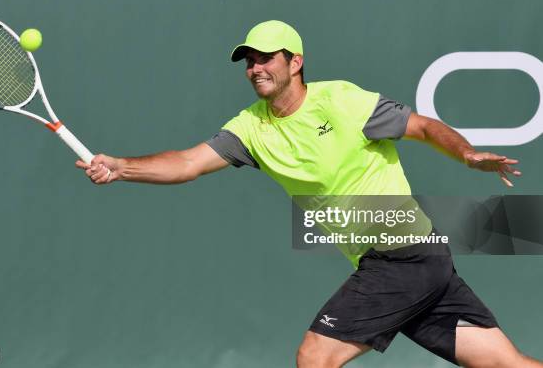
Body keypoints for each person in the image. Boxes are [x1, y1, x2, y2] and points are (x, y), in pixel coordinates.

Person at [76, 20, 540, 367]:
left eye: (266, 57)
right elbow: (187, 162)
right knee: (507, 364)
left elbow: (421, 126)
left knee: (314, 357)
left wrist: (467, 154)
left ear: (295, 62)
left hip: (402, 254)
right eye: (249, 61)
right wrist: (121, 167)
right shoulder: (251, 127)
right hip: (413, 263)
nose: (256, 68)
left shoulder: (342, 101)